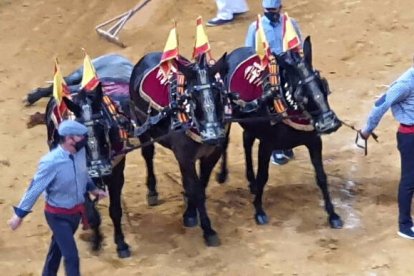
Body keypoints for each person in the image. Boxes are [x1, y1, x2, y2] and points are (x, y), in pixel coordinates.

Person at [8, 120, 108, 276]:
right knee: (71, 257)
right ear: (69, 139)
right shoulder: (51, 162)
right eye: (81, 137)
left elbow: (83, 174)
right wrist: (19, 214)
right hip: (57, 216)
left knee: (56, 250)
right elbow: (35, 188)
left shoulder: (80, 153)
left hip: (75, 214)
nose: (85, 140)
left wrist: (93, 189)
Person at [360, 63, 414, 239]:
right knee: (409, 180)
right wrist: (367, 130)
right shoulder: (405, 84)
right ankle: (404, 224)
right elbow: (380, 105)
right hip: (410, 138)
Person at [245, 0, 302, 165]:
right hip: (267, 73)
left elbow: (298, 46)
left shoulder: (290, 24)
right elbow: (249, 53)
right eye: (267, 10)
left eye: (273, 10)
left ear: (280, 8)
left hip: (288, 70)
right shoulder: (255, 27)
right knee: (270, 107)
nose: (271, 13)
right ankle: (276, 147)